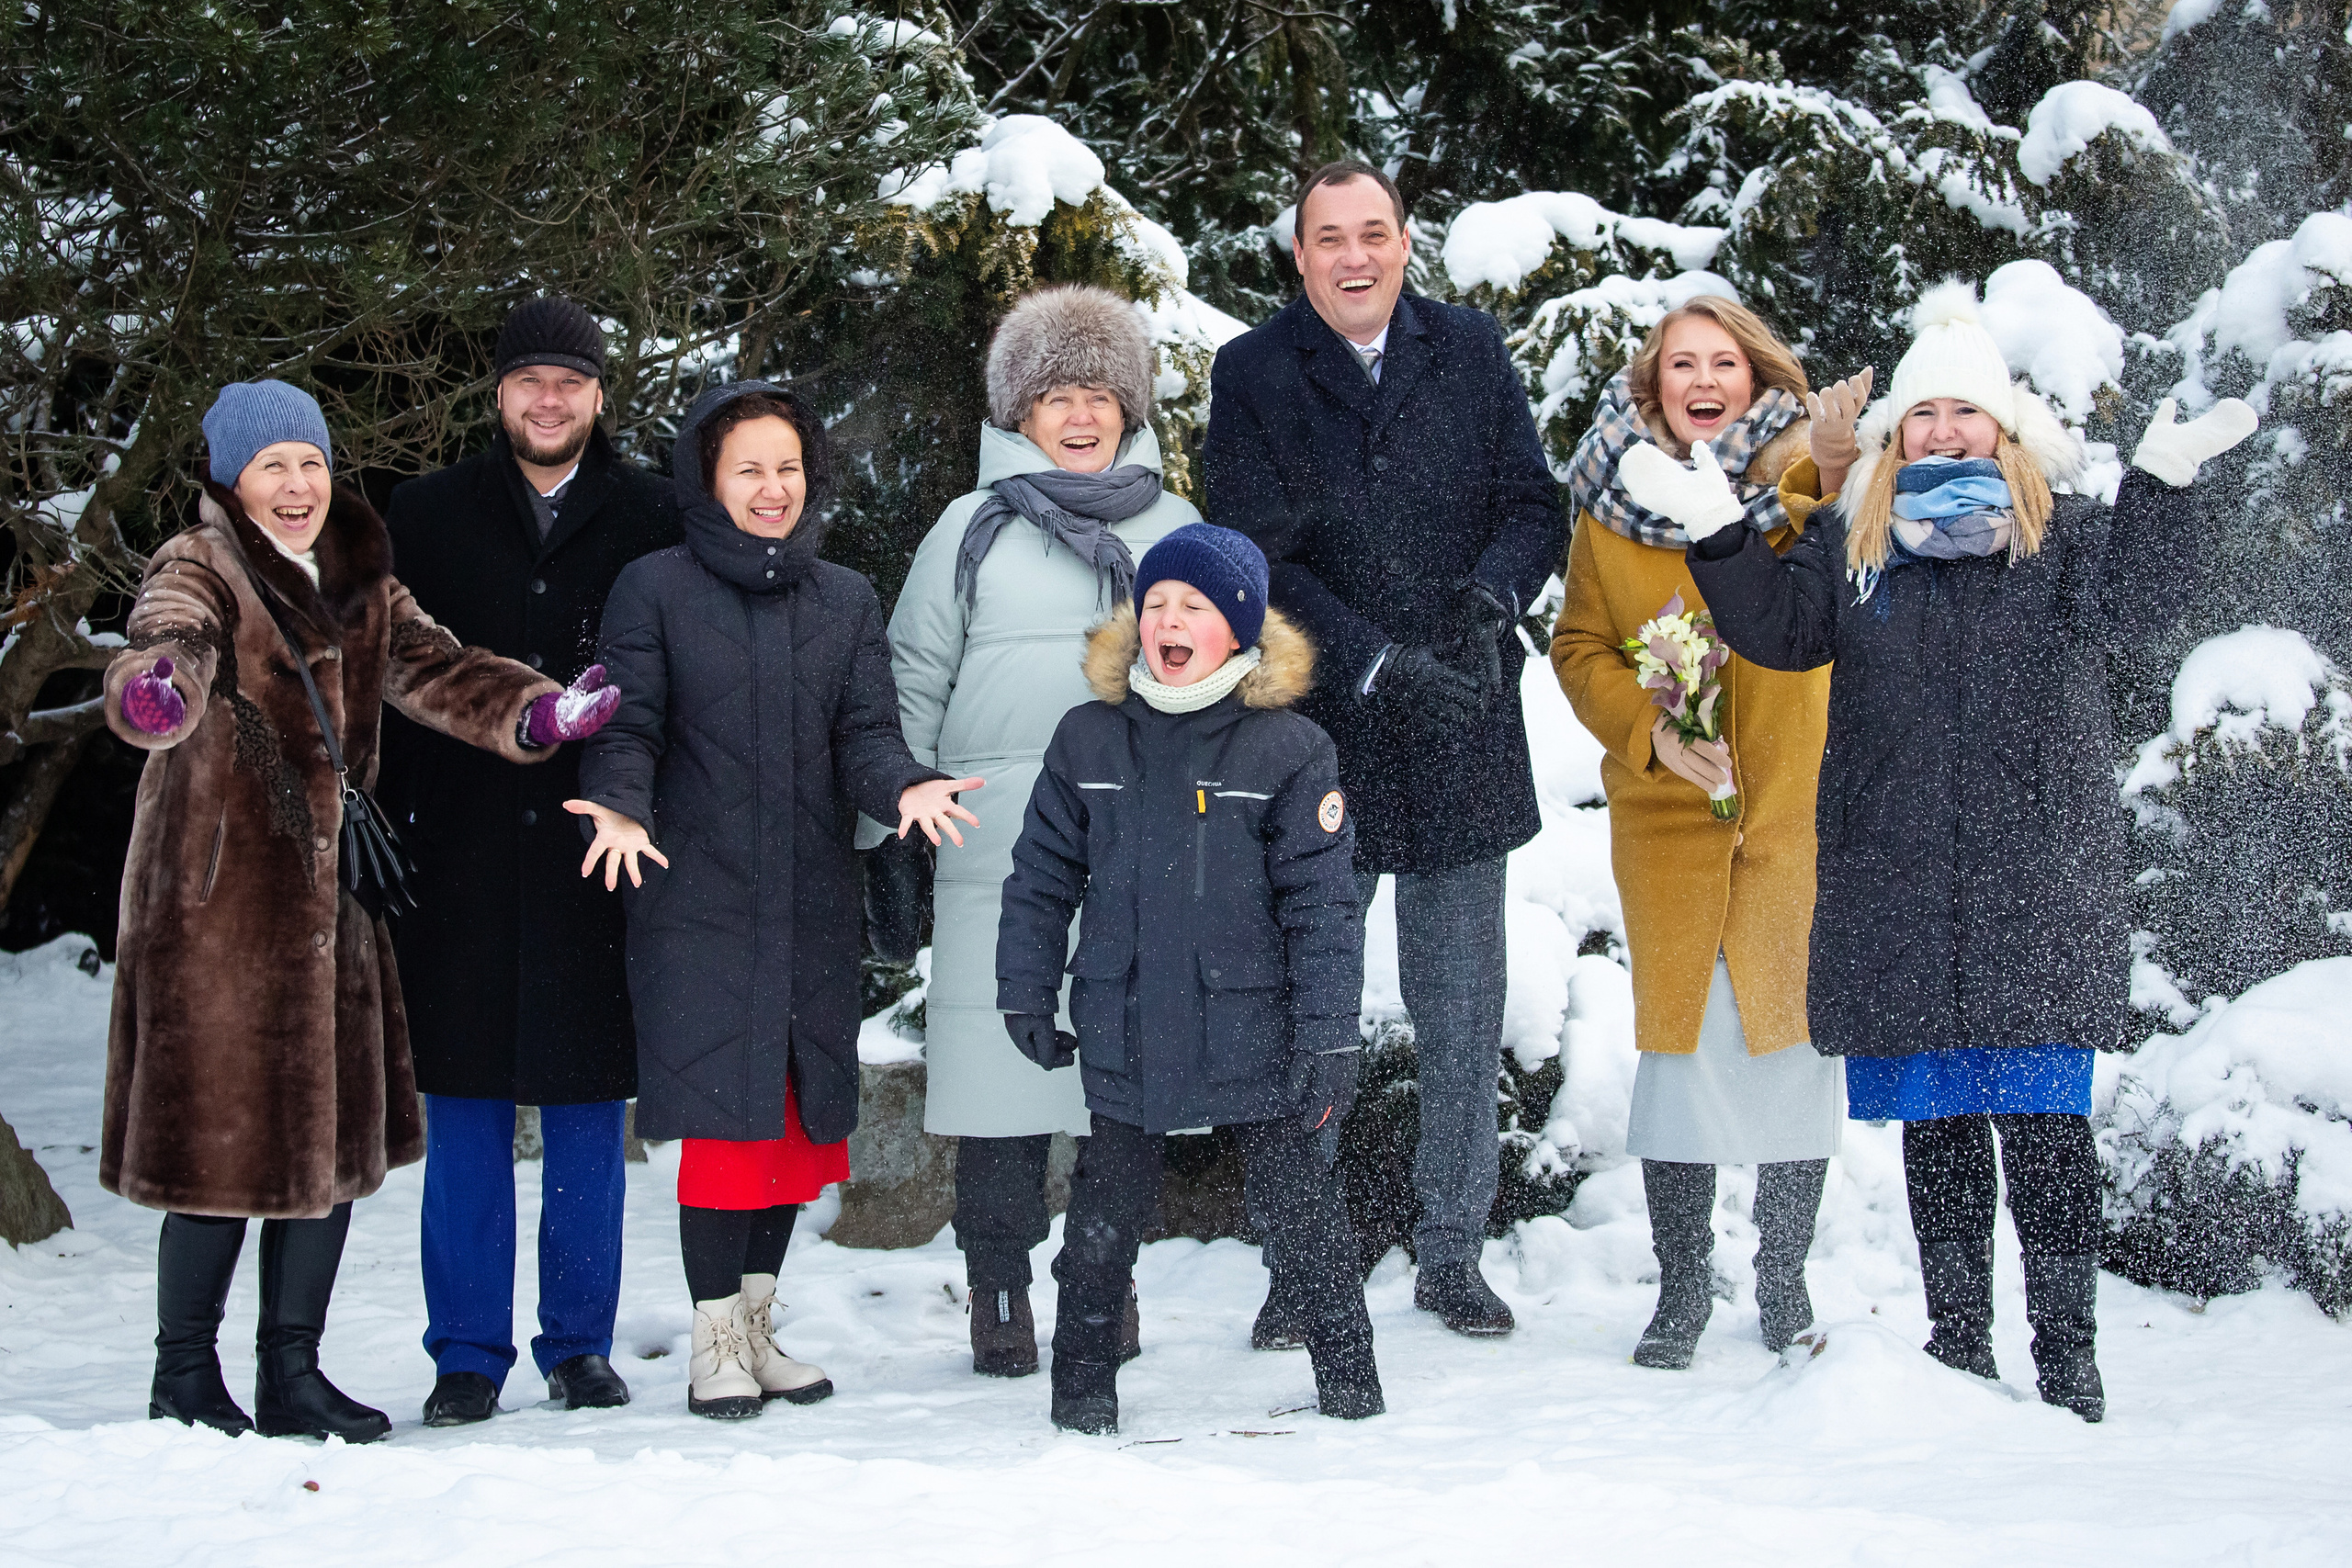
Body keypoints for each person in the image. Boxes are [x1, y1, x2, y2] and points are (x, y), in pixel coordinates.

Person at [1645, 282, 2258, 1421]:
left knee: (2041, 1127)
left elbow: (2145, 608)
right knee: (1940, 1134)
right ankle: (1958, 1347)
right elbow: (1774, 633)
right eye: (1920, 416)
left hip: (2039, 876)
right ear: (1894, 435)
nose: (1940, 432)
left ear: (2004, 428)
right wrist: (1717, 531)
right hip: (1899, 879)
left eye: (1962, 416)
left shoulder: (2065, 541)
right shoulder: (1854, 548)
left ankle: (2067, 1355)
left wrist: (2164, 492)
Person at [103, 379, 618, 1442]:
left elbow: (442, 671)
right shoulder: (198, 567)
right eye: (273, 466)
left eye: (312, 464)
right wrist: (152, 688)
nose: (297, 487)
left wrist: (538, 708)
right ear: (230, 477)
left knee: (325, 1152)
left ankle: (293, 1371)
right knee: (219, 1147)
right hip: (216, 913)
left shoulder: (359, 580)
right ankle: (183, 1375)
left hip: (334, 911)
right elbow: (169, 642)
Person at [571, 380, 979, 1419]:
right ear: (707, 478)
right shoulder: (651, 588)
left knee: (797, 1125)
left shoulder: (843, 598)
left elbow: (866, 739)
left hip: (807, 902)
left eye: (788, 467)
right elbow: (628, 723)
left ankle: (757, 1322)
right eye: (748, 467)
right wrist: (616, 807)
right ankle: (715, 1337)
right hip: (696, 903)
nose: (771, 487)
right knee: (725, 1122)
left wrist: (904, 788)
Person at [1204, 159, 1564, 1337]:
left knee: (1461, 1009)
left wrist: (1486, 604)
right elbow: (1254, 549)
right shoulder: (1253, 373)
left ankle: (1452, 1249)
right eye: (1328, 238)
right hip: (1325, 722)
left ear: (1407, 243)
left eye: (1373, 234)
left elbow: (1530, 502)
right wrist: (1367, 659)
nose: (1353, 257)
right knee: (1316, 1008)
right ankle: (1302, 1264)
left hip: (1462, 709)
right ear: (1298, 254)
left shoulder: (1468, 347)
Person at [997, 523, 1380, 1434]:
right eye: (1155, 603)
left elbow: (1323, 907)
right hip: (1126, 1017)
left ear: (1239, 632)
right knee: (1100, 1224)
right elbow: (1042, 876)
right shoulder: (1088, 739)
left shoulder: (1287, 749)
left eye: (1194, 607)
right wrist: (1024, 988)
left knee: (1300, 1213)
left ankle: (1351, 1376)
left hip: (1256, 1027)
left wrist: (1330, 1034)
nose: (1169, 619)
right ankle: (1081, 1392)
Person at [1549, 295, 1872, 1368]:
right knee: (1679, 1059)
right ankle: (1681, 1289)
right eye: (1679, 362)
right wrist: (1652, 735)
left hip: (1790, 807)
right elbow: (1578, 648)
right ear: (1652, 385)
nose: (1701, 378)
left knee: (1791, 1042)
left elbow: (1839, 552)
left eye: (1722, 362)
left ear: (1756, 377)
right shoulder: (1604, 502)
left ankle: (1782, 1281)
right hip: (1669, 822)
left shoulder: (1802, 478)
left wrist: (1829, 457)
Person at [377, 297, 682, 1428]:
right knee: (462, 1116)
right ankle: (465, 1352)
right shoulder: (423, 512)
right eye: (527, 381)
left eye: (569, 380)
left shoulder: (656, 512)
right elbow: (391, 682)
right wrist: (388, 828)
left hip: (595, 856)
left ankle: (578, 1345)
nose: (547, 400)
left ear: (600, 394)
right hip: (452, 856)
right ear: (497, 394)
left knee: (588, 1114)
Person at [883, 284, 1195, 1376]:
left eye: (1099, 392)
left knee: (1119, 1083)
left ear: (1128, 407)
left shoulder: (1173, 526)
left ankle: (1102, 1283)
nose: (1078, 413)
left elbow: (1219, 679)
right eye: (1054, 393)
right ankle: (999, 1287)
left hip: (1135, 849)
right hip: (995, 844)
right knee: (1000, 1080)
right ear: (1018, 412)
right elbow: (914, 672)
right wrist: (888, 815)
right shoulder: (969, 528)